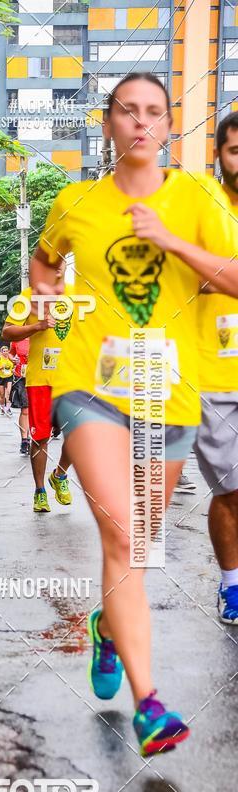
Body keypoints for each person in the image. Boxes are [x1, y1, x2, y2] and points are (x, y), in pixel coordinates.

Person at [30, 72, 238, 757]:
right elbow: (43, 261)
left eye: (154, 112)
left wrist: (173, 242)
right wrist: (49, 300)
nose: (141, 122)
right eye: (128, 111)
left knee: (137, 548)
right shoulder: (75, 201)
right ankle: (150, 705)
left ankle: (105, 626)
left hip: (168, 391)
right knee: (121, 534)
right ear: (109, 123)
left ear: (169, 125)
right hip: (90, 383)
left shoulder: (197, 196)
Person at [195, 111, 238, 624]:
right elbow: (188, 276)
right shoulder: (201, 207)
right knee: (231, 489)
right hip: (217, 374)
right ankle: (232, 585)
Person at [3, 288, 73, 510]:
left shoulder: (79, 294)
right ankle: (40, 491)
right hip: (40, 378)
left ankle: (59, 475)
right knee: (40, 438)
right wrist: (37, 326)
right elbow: (7, 331)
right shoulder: (29, 295)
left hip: (73, 379)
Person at [9, 336, 30, 454]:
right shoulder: (17, 337)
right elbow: (11, 353)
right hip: (21, 377)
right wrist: (13, 359)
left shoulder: (41, 334)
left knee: (35, 410)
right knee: (25, 410)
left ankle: (33, 435)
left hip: (38, 375)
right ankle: (24, 439)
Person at [0, 345, 15, 415]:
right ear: (2, 352)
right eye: (4, 351)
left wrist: (13, 370)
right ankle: (2, 408)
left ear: (8, 351)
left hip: (9, 377)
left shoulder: (10, 358)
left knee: (8, 392)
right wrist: (1, 368)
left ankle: (8, 408)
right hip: (1, 378)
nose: (5, 352)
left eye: (7, 351)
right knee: (2, 395)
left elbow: (14, 366)